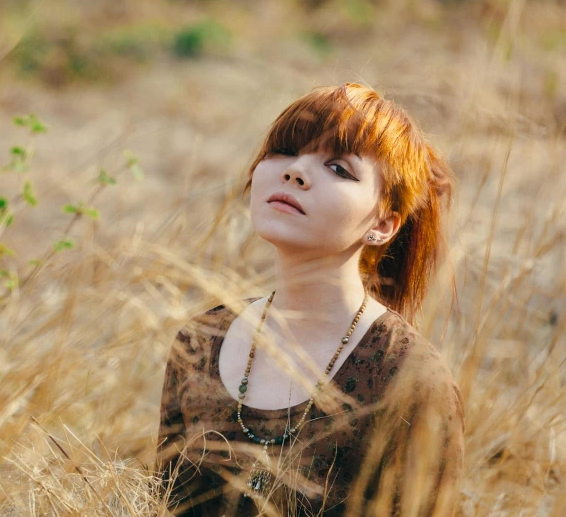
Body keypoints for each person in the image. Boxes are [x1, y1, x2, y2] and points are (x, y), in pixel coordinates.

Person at [154, 83, 465, 516]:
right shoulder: (201, 340)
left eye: (338, 168)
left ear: (383, 224)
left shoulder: (406, 375)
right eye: (282, 150)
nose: (295, 171)